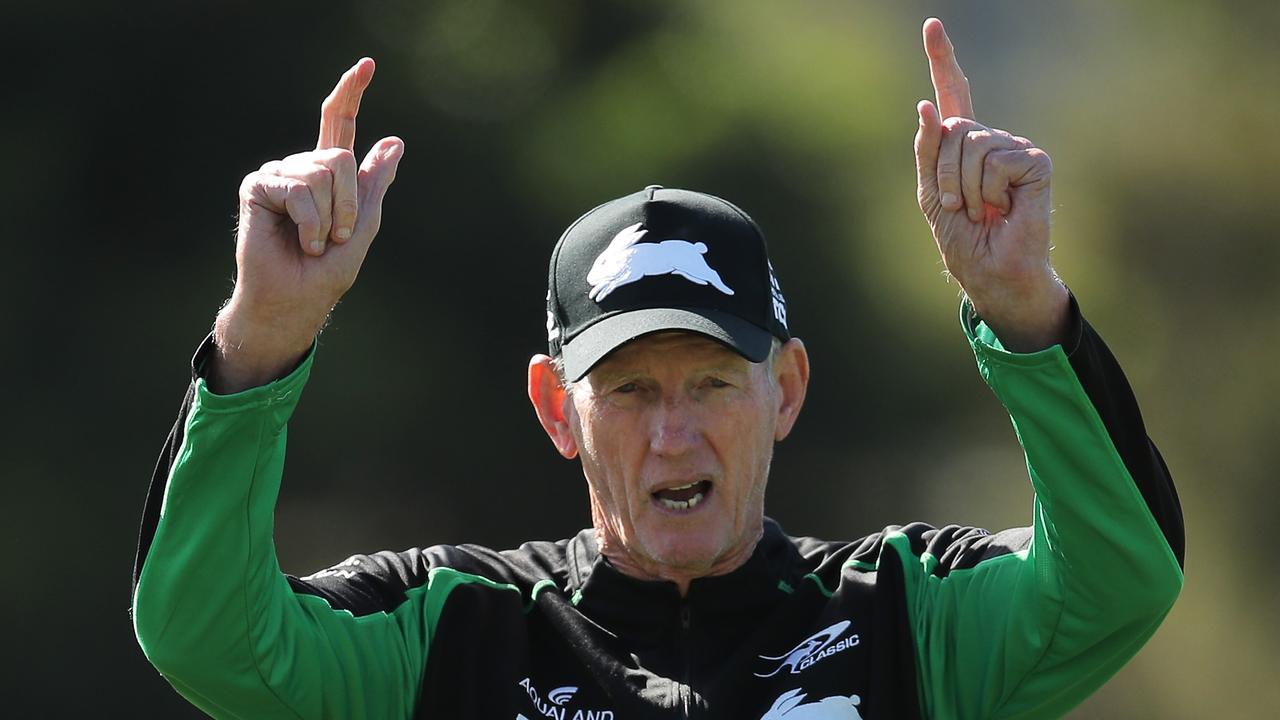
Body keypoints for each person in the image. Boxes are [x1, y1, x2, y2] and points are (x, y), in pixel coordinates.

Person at [131, 18, 1184, 720]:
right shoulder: (452, 624)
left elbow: (1114, 584)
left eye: (712, 382)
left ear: (787, 390)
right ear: (555, 409)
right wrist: (264, 333)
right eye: (628, 389)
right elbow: (207, 636)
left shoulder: (903, 611)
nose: (672, 434)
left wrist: (1020, 311)